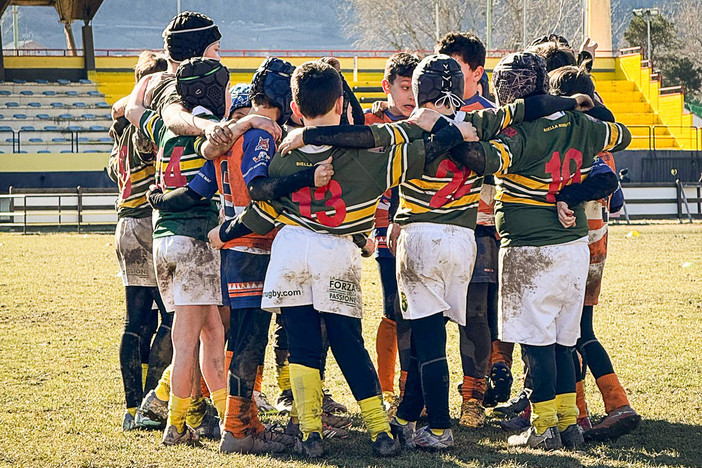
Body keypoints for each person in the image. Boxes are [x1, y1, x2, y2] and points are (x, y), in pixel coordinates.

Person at [215, 60, 481, 458]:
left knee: (303, 346)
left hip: (290, 251)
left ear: (295, 106)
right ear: (341, 104)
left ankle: (309, 432)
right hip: (336, 251)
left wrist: (226, 231)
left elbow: (265, 210)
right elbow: (421, 154)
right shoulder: (371, 159)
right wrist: (451, 132)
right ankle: (379, 430)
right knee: (348, 342)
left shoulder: (285, 155)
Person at [447, 51, 630, 450]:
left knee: (536, 343)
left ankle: (544, 426)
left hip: (529, 249)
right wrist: (585, 104)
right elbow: (622, 134)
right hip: (575, 248)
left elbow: (480, 160)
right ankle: (568, 424)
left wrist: (450, 134)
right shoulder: (580, 123)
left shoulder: (518, 134)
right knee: (566, 342)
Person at [125, 57, 231, 446]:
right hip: (194, 240)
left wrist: (141, 89)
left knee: (211, 333)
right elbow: (205, 174)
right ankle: (176, 425)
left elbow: (134, 110)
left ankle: (228, 418)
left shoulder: (164, 126)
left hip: (163, 242)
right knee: (188, 341)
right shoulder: (211, 135)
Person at [548, 64, 641, 442]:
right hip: (598, 242)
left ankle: (583, 414)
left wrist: (567, 195)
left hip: (576, 243)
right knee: (580, 330)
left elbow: (606, 182)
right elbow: (616, 201)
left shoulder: (578, 134)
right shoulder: (606, 132)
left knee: (567, 333)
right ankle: (614, 403)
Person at [436, 31, 503, 424]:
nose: (446, 75)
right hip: (429, 227)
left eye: (455, 68)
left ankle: (472, 399)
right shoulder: (428, 111)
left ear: (477, 72)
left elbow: (500, 170)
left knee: (473, 316)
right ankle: (424, 397)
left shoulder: (492, 116)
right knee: (422, 317)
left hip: (477, 230)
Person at [107, 50, 169, 431]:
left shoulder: (119, 129)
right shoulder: (147, 123)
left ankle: (133, 408)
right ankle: (149, 403)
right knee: (171, 318)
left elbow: (113, 165)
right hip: (149, 221)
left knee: (136, 322)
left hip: (125, 222)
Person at [364, 52, 419, 411]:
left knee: (418, 310)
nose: (411, 95)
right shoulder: (371, 122)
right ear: (387, 87)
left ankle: (410, 389)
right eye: (403, 87)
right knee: (391, 306)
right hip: (384, 228)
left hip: (420, 225)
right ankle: (385, 389)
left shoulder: (427, 121)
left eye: (415, 87)